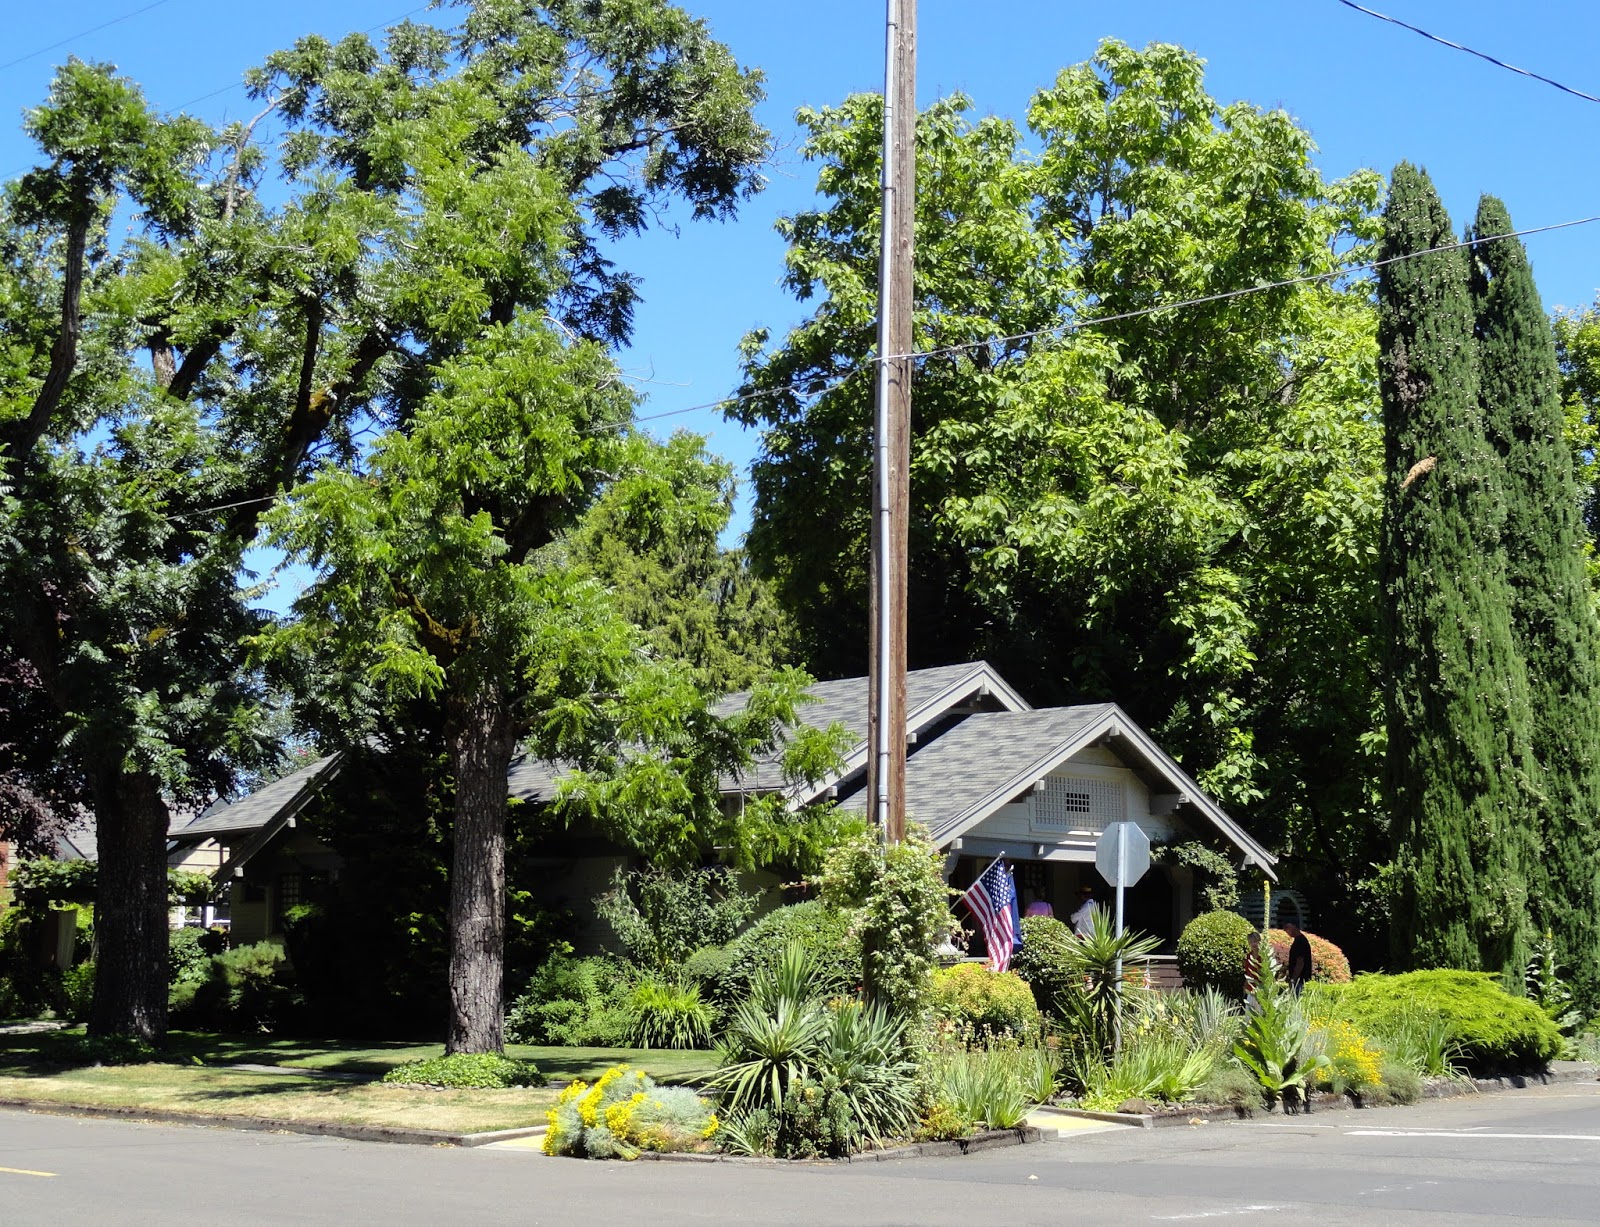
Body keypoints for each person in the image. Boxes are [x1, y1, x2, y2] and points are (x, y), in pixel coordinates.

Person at [1283, 920, 1313, 994]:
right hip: (1299, 980)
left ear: (1294, 926)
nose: (1285, 930)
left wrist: (1293, 979)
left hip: (1300, 981)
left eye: (1287, 927)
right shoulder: (1298, 940)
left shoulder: (1300, 942)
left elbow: (1300, 962)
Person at [1243, 930, 1262, 999]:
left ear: (1259, 941)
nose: (1253, 944)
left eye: (1255, 941)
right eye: (1251, 942)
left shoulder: (1263, 956)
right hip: (1250, 990)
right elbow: (1248, 973)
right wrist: (1245, 987)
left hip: (1261, 990)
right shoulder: (1248, 956)